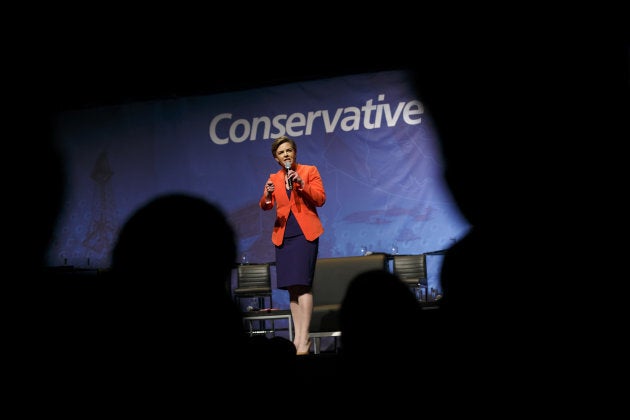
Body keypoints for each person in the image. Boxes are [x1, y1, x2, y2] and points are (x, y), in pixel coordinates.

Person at [259, 135, 326, 355]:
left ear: (294, 152)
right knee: (292, 289)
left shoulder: (309, 171)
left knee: (303, 285)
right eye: (281, 152)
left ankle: (304, 339)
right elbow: (266, 206)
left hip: (305, 234)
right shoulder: (274, 177)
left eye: (289, 150)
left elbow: (320, 199)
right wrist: (268, 195)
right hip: (284, 235)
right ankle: (297, 339)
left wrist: (301, 184)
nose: (286, 154)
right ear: (276, 158)